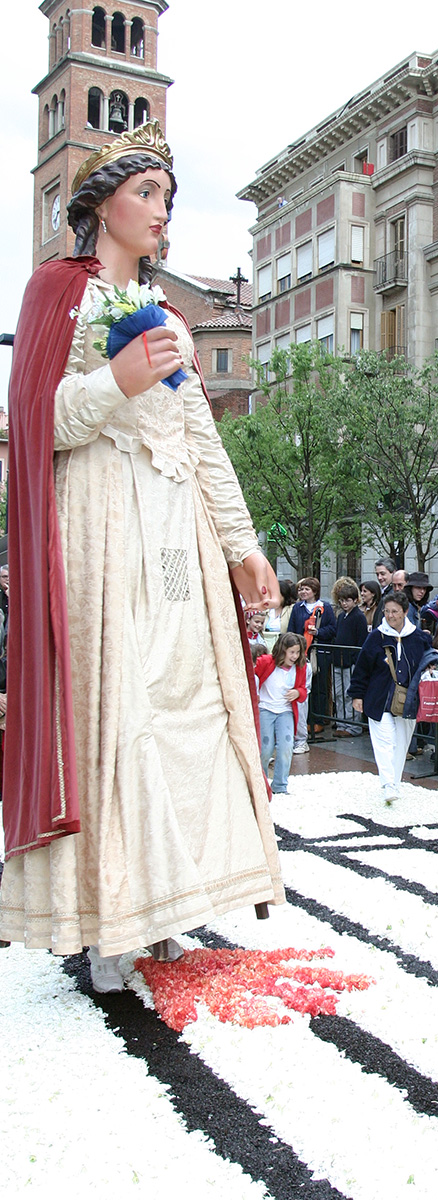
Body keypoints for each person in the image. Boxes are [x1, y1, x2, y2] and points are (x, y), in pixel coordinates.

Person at [0, 122, 285, 989]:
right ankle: (108, 923)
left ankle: (174, 903)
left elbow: (201, 440)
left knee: (190, 712)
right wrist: (113, 382)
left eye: (169, 197)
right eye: (147, 194)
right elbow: (31, 426)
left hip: (180, 540)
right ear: (100, 206)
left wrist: (242, 545)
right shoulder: (59, 290)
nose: (162, 212)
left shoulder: (169, 317)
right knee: (117, 713)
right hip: (100, 524)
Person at [348, 591, 436, 803]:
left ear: (405, 612)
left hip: (408, 700)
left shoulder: (419, 638)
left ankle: (394, 783)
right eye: (386, 611)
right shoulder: (375, 637)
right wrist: (357, 694)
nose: (390, 615)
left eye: (395, 611)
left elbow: (429, 660)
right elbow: (362, 668)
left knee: (401, 744)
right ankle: (388, 784)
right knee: (384, 742)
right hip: (379, 698)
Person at [255, 633, 307, 794]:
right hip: (265, 708)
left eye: (297, 652)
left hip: (285, 710)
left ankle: (280, 785)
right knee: (265, 748)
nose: (294, 656)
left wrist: (298, 693)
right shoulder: (266, 661)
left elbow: (304, 690)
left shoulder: (300, 667)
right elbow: (251, 674)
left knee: (286, 747)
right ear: (282, 650)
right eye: (291, 652)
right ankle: (261, 784)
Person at [288, 577, 336, 739]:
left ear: (314, 591)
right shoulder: (297, 608)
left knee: (320, 686)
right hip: (302, 652)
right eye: (301, 589)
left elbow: (332, 629)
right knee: (303, 686)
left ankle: (319, 720)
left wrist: (319, 633)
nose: (303, 592)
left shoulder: (325, 608)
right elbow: (292, 628)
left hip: (319, 652)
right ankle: (305, 720)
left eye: (306, 589)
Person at [332, 582, 368, 735]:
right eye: (342, 600)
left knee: (350, 693)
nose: (344, 603)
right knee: (338, 693)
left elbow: (361, 640)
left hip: (350, 661)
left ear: (355, 600)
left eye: (348, 600)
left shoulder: (359, 617)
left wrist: (355, 659)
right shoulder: (341, 617)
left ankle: (353, 725)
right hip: (339, 660)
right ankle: (341, 723)